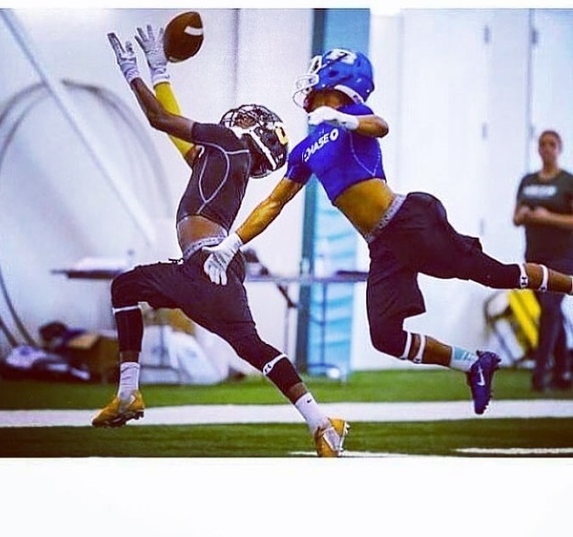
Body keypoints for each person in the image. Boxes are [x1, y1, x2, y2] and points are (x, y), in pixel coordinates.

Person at [203, 48, 573, 416]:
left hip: (409, 221)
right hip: (382, 245)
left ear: (338, 79)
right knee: (385, 337)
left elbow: (380, 126)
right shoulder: (304, 149)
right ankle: (473, 363)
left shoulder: (354, 115)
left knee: (495, 274)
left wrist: (342, 120)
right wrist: (232, 242)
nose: (310, 81)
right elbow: (273, 202)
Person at [91, 25, 349, 457]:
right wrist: (160, 71)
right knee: (254, 348)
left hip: (201, 263)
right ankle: (322, 424)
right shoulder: (227, 160)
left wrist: (131, 71)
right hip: (220, 269)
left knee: (124, 287)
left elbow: (160, 120)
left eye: (249, 120)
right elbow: (180, 139)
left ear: (254, 132)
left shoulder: (228, 142)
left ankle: (128, 393)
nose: (240, 119)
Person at [513, 130, 573, 391]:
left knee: (550, 307)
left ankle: (539, 374)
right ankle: (563, 371)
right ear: (537, 149)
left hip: (563, 257)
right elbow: (515, 218)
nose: (547, 148)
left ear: (559, 148)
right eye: (543, 144)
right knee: (551, 311)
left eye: (552, 144)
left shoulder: (567, 182)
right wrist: (524, 215)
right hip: (534, 257)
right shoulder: (527, 181)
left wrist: (548, 217)